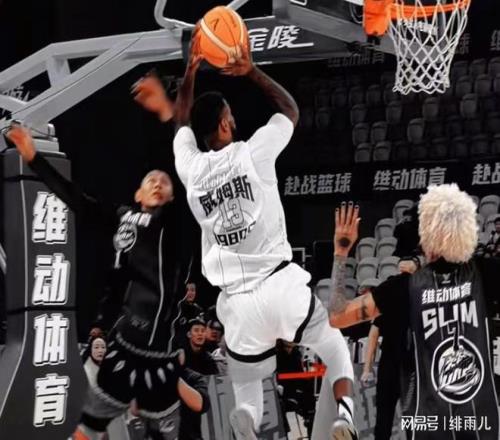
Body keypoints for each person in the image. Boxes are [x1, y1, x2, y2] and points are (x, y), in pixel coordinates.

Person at [133, 27, 358, 440]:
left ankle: (248, 419)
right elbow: (289, 111)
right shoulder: (254, 152)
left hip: (236, 303)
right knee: (333, 346)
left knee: (249, 384)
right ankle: (344, 417)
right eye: (230, 116)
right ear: (225, 122)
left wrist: (190, 69)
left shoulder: (191, 170)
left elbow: (181, 121)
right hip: (278, 283)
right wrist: (252, 71)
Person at [6, 124, 205, 440]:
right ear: (138, 194)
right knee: (87, 429)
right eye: (151, 180)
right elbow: (77, 199)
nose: (157, 183)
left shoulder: (175, 227)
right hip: (124, 346)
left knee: (166, 430)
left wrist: (176, 122)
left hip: (161, 354)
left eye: (164, 182)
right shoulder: (122, 217)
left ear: (171, 196)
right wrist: (33, 159)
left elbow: (189, 179)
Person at [328, 187, 500, 439]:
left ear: (423, 236)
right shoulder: (485, 273)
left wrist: (341, 252)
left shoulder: (403, 287)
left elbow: (337, 317)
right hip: (480, 424)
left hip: (429, 425)